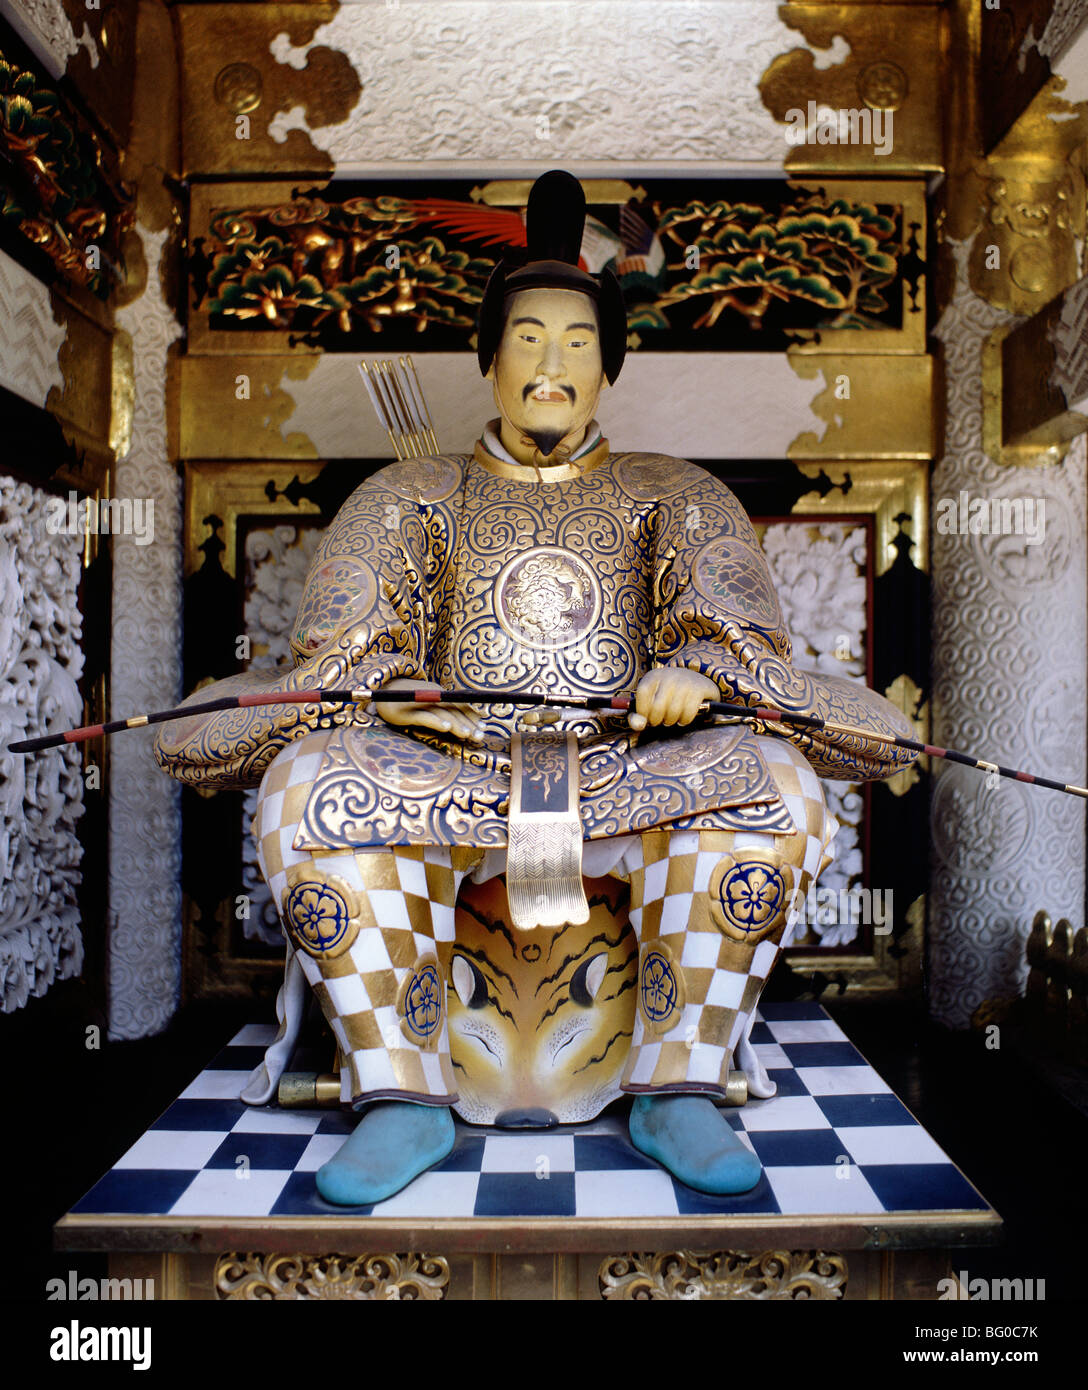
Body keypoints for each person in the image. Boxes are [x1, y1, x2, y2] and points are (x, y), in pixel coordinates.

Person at [155, 170, 917, 1204]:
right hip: (448, 776)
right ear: (486, 357)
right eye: (525, 338)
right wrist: (388, 691)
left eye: (574, 341)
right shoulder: (409, 496)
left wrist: (694, 673)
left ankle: (674, 1079)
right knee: (305, 784)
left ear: (608, 365)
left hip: (626, 774)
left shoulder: (675, 495)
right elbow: (336, 660)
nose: (549, 363)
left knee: (772, 779)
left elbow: (748, 658)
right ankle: (400, 1095)